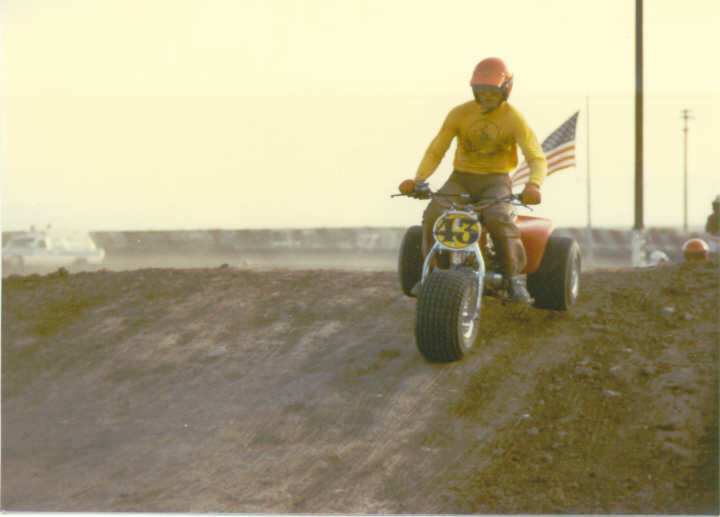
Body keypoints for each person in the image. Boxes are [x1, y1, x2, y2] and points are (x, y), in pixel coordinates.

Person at [398, 57, 547, 303]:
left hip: (496, 180)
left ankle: (512, 279)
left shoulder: (514, 119)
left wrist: (534, 184)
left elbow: (536, 157)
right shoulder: (459, 114)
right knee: (434, 213)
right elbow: (436, 150)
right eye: (481, 91)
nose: (486, 96)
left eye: (492, 92)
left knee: (498, 217)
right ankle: (432, 274)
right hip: (461, 178)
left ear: (506, 89)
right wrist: (419, 179)